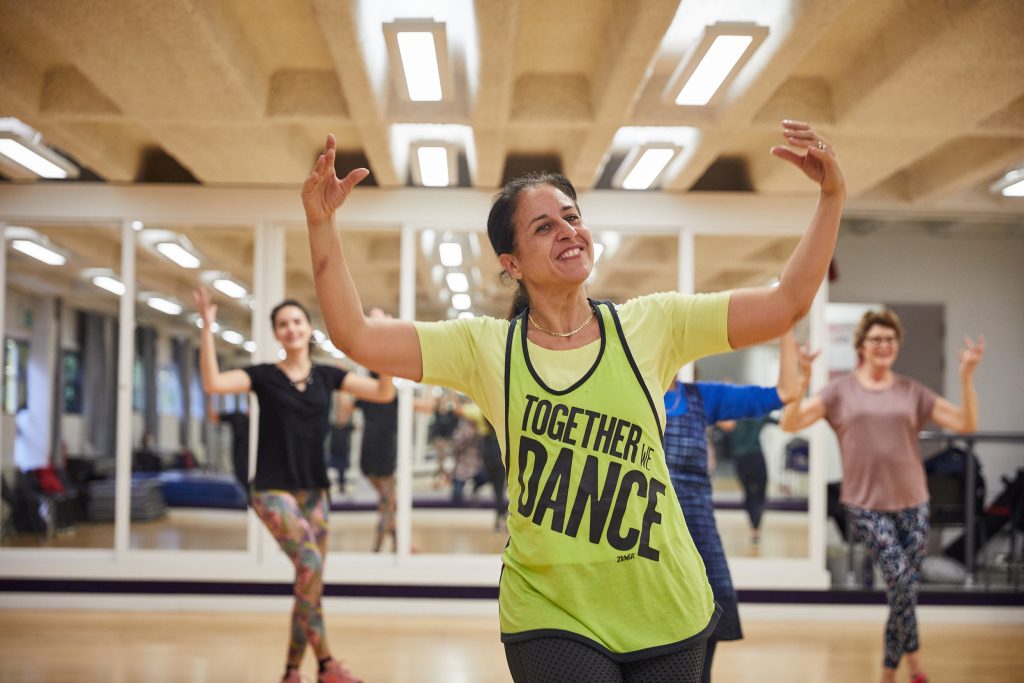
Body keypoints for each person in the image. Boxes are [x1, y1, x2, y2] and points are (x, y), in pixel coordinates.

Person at [301, 119, 844, 682]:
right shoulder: (484, 347)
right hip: (549, 609)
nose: (567, 230)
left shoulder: (653, 324)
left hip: (667, 605)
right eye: (543, 226)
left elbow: (787, 302)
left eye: (573, 217)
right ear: (511, 263)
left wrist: (831, 197)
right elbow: (355, 335)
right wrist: (322, 223)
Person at [194, 288, 395, 683]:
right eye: (283, 324)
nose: (291, 328)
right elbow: (214, 383)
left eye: (297, 321)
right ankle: (295, 670)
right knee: (311, 565)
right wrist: (206, 328)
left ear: (308, 329)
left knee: (310, 580)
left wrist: (382, 340)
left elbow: (383, 392)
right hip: (271, 489)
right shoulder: (264, 377)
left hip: (315, 491)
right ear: (276, 333)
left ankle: (322, 666)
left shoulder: (327, 376)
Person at [780, 309, 984, 683]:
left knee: (901, 589)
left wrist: (967, 378)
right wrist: (805, 376)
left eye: (890, 340)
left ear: (897, 347)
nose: (883, 346)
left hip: (914, 503)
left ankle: (889, 673)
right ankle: (916, 664)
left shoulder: (911, 391)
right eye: (875, 339)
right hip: (866, 505)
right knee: (902, 580)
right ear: (861, 346)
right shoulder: (840, 392)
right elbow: (790, 422)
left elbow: (966, 424)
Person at [663, 332, 804, 682]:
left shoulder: (701, 397)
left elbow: (783, 394)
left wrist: (787, 333)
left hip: (696, 528)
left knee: (710, 608)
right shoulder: (627, 399)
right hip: (645, 533)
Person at [353, 372, 399, 553]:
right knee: (387, 506)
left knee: (386, 504)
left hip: (367, 458)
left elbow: (344, 410)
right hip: (384, 457)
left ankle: (397, 543)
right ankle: (377, 549)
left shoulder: (366, 396)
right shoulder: (393, 397)